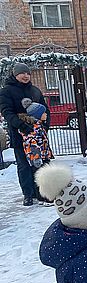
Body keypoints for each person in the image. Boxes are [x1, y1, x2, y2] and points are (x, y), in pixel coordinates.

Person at [0, 63, 50, 206]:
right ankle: (28, 194)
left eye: (28, 73)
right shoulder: (6, 91)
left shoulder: (35, 90)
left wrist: (45, 126)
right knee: (24, 165)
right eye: (22, 73)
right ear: (15, 75)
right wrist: (22, 126)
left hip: (37, 136)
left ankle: (41, 192)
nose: (26, 76)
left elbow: (45, 109)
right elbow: (7, 112)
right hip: (19, 135)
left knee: (39, 164)